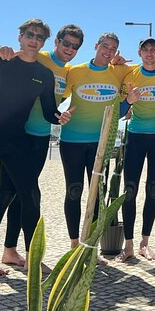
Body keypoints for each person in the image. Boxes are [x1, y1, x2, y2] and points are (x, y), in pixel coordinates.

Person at [0, 18, 73, 289]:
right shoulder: (0, 62)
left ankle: (32, 261)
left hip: (17, 141)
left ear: (44, 43)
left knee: (31, 197)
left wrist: (60, 117)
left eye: (39, 37)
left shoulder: (43, 75)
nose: (34, 40)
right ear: (20, 37)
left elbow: (47, 111)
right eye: (29, 35)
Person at [0, 24, 85, 267]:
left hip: (42, 137)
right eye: (66, 43)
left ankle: (10, 251)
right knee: (13, 194)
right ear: (56, 43)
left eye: (75, 46)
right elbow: (0, 56)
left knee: (21, 195)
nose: (70, 49)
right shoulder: (38, 55)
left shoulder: (71, 72)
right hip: (20, 135)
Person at [59, 32, 138, 251]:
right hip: (72, 141)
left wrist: (129, 102)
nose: (108, 52)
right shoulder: (74, 72)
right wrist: (57, 114)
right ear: (96, 45)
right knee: (74, 191)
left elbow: (118, 112)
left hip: (101, 143)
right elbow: (55, 97)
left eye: (113, 49)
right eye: (105, 46)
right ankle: (75, 244)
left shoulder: (120, 72)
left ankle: (91, 245)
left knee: (98, 194)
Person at [118, 37, 155, 262]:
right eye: (146, 50)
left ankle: (145, 243)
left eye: (154, 50)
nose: (150, 53)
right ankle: (129, 245)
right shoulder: (131, 76)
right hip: (135, 137)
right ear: (140, 53)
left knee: (153, 189)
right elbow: (122, 110)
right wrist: (129, 101)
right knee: (130, 190)